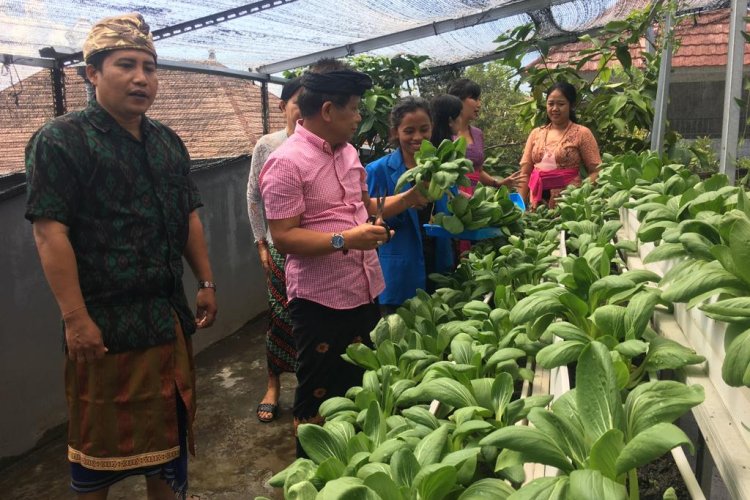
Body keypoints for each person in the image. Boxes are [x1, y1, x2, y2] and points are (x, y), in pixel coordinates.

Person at [24, 13, 217, 499]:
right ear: (92, 73)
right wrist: (75, 319)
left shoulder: (167, 142)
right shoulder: (61, 140)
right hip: (105, 329)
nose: (141, 78)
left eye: (150, 68)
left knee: (168, 450)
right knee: (97, 457)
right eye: (126, 65)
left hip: (166, 318)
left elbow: (188, 215)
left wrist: (207, 282)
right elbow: (50, 233)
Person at [259, 59, 428, 457]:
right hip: (320, 299)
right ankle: (311, 477)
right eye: (353, 107)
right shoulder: (285, 162)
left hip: (364, 288)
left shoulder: (349, 153)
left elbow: (361, 205)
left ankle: (353, 471)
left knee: (358, 388)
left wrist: (408, 198)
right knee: (317, 396)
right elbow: (283, 237)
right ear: (328, 110)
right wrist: (347, 239)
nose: (358, 116)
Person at [246, 77, 303, 423]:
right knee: (280, 319)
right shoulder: (269, 145)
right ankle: (273, 384)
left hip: (316, 247)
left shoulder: (326, 145)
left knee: (310, 322)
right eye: (298, 102)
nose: (305, 110)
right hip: (281, 249)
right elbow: (253, 196)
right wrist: (260, 243)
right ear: (283, 106)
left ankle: (308, 387)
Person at [365, 97, 455, 315]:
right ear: (396, 132)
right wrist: (405, 201)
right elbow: (368, 214)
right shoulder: (378, 170)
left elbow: (454, 208)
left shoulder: (444, 168)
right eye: (409, 131)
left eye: (424, 129)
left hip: (440, 266)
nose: (418, 137)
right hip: (399, 275)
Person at [518, 81, 601, 209]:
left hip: (569, 204)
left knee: (564, 229)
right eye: (550, 104)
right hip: (536, 205)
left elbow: (597, 171)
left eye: (561, 104)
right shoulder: (536, 134)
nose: (555, 108)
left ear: (571, 106)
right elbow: (525, 173)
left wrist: (578, 192)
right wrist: (520, 206)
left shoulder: (582, 133)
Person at [448, 78, 523, 194]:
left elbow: (478, 171)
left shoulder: (477, 134)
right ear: (457, 100)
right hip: (449, 198)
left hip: (471, 202)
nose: (479, 104)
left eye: (479, 99)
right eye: (474, 98)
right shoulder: (443, 133)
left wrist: (498, 183)